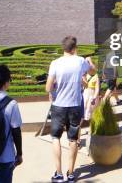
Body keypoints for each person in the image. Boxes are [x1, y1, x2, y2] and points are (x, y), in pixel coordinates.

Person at [45, 36, 95, 183]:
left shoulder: (55, 63)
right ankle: (71, 174)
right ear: (74, 48)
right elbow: (92, 71)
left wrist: (53, 88)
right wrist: (90, 61)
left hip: (59, 105)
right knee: (73, 139)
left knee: (55, 138)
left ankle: (59, 174)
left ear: (63, 48)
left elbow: (48, 87)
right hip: (74, 105)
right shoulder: (80, 61)